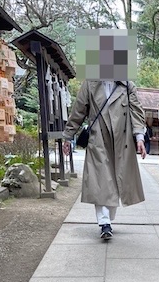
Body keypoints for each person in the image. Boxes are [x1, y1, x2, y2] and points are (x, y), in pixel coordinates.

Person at [62, 80, 146, 240]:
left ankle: (108, 217)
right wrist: (68, 136)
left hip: (122, 139)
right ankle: (104, 222)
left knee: (115, 181)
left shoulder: (127, 85)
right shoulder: (89, 84)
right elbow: (78, 111)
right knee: (100, 180)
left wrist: (139, 137)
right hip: (98, 138)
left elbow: (136, 112)